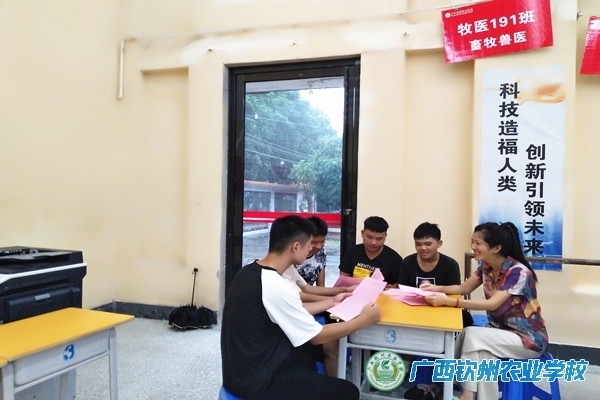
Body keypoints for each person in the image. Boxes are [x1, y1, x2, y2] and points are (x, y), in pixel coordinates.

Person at [221, 215, 381, 400]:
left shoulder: (250, 271)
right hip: (256, 380)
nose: (310, 250)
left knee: (306, 361)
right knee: (349, 391)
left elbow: (295, 309)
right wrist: (365, 319)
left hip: (242, 368)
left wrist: (333, 301)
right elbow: (318, 337)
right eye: (308, 246)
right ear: (295, 247)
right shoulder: (274, 284)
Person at [421, 222, 548, 400]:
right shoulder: (486, 267)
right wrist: (437, 288)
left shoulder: (518, 272)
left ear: (496, 248)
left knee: (471, 334)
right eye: (472, 242)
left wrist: (448, 302)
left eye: (478, 243)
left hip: (527, 339)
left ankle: (461, 392)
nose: (473, 246)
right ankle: (471, 395)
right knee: (482, 354)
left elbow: (492, 304)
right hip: (498, 332)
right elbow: (464, 288)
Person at [399, 222, 470, 400]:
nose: (422, 248)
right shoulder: (408, 262)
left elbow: (455, 293)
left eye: (428, 244)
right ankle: (406, 369)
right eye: (418, 244)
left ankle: (441, 379)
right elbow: (403, 291)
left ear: (439, 243)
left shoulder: (450, 265)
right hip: (415, 311)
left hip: (442, 312)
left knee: (455, 331)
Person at [339, 216, 403, 287]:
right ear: (362, 233)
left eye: (379, 239)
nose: (373, 242)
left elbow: (398, 285)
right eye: (369, 237)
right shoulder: (352, 252)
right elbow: (343, 279)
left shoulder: (395, 259)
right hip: (352, 292)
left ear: (385, 237)